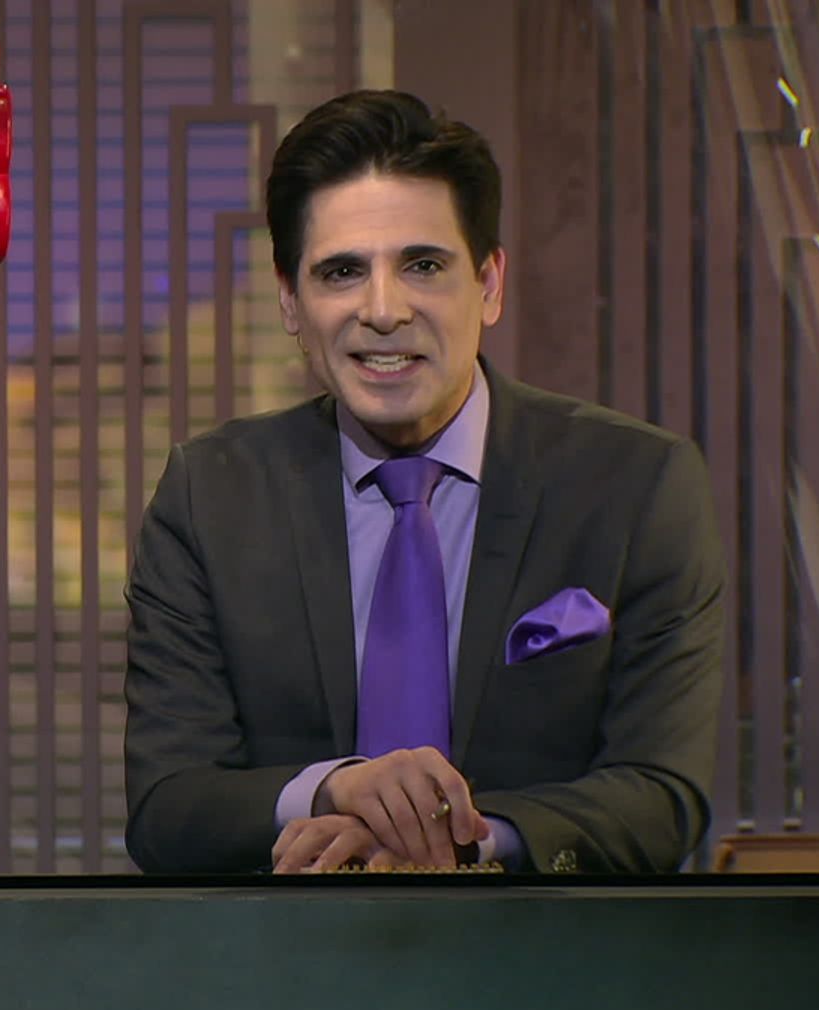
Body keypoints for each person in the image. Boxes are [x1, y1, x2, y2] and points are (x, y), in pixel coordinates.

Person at [123, 90, 724, 875]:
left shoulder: (635, 487)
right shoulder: (210, 498)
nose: (383, 310)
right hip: (290, 944)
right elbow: (168, 806)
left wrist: (464, 840)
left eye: (424, 266)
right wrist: (330, 792)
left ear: (490, 283)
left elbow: (660, 795)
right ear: (291, 302)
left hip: (538, 944)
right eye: (342, 271)